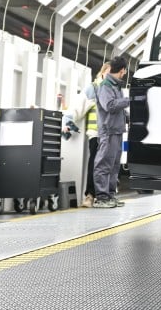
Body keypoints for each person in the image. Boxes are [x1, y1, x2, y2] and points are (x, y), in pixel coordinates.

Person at [62, 62, 110, 208]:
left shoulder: (115, 90)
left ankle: (105, 195)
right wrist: (67, 121)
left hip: (111, 135)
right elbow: (77, 106)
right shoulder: (94, 89)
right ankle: (90, 195)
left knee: (108, 167)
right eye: (109, 73)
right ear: (102, 73)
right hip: (96, 134)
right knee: (95, 165)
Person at [93, 56, 131, 208]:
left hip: (117, 130)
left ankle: (110, 195)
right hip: (108, 131)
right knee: (103, 164)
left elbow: (118, 109)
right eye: (124, 71)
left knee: (114, 165)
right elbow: (109, 105)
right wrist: (129, 100)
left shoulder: (116, 86)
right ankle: (101, 197)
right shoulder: (106, 86)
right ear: (122, 71)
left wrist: (129, 118)